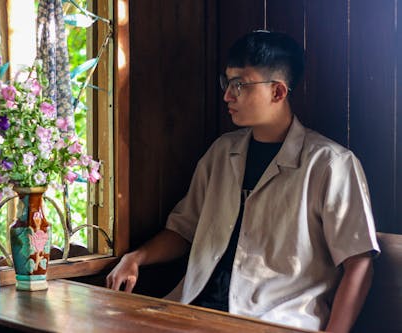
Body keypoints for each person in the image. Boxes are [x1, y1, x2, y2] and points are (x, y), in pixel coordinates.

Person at [106, 30, 380, 333]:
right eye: (227, 82)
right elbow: (184, 230)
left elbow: (359, 263)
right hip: (196, 311)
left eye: (240, 84)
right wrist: (136, 257)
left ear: (277, 92)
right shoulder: (222, 152)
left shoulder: (330, 164)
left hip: (278, 318)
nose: (227, 95)